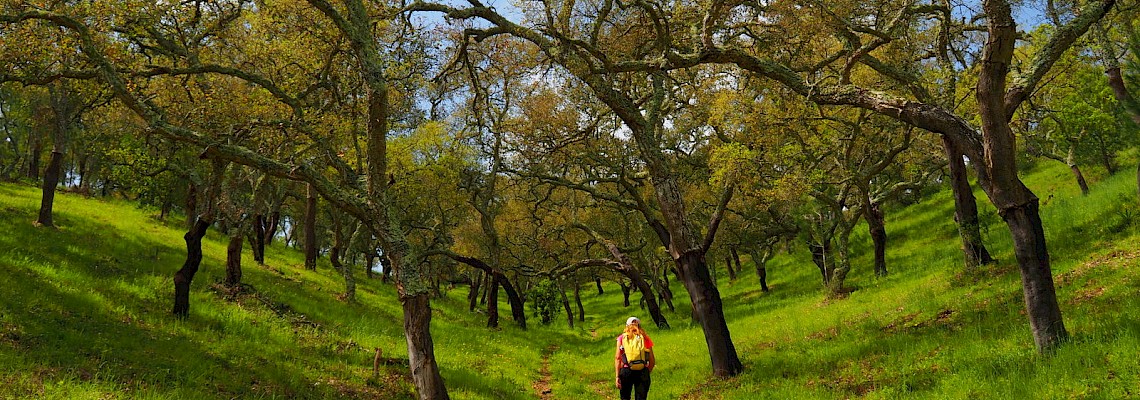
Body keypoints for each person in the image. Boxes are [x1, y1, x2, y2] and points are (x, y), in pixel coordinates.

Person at [615, 316, 655, 400]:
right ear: (639, 326)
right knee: (641, 398)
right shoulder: (645, 338)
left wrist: (617, 376)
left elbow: (618, 357)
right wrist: (647, 371)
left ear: (626, 326)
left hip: (626, 371)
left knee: (625, 397)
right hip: (642, 370)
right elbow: (652, 359)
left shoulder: (622, 338)